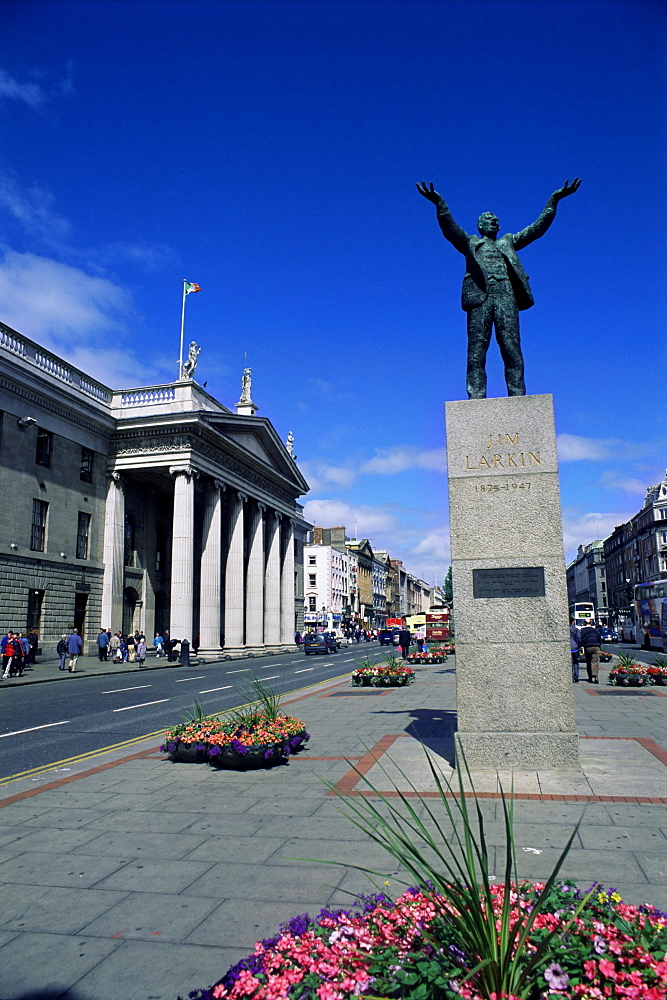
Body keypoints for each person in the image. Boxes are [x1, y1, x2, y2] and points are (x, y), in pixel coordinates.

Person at [416, 178, 581, 398]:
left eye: (495, 220)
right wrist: (440, 204)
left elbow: (537, 229)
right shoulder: (470, 243)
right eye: (487, 219)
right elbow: (450, 228)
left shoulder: (508, 242)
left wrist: (554, 200)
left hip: (506, 296)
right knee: (476, 351)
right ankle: (476, 397)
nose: (492, 221)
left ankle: (517, 395)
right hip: (479, 297)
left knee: (511, 348)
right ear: (480, 226)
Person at [579, 619, 602, 684]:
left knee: (588, 661)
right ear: (591, 623)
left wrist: (581, 646)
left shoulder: (583, 631)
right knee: (595, 661)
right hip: (596, 646)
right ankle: (595, 676)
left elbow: (581, 639)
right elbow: (599, 639)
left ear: (584, 623)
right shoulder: (595, 630)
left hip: (588, 647)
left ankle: (590, 677)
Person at [569, 617, 581, 683]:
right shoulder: (575, 629)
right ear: (572, 622)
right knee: (575, 662)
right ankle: (576, 676)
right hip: (575, 648)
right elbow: (579, 638)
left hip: (568, 648)